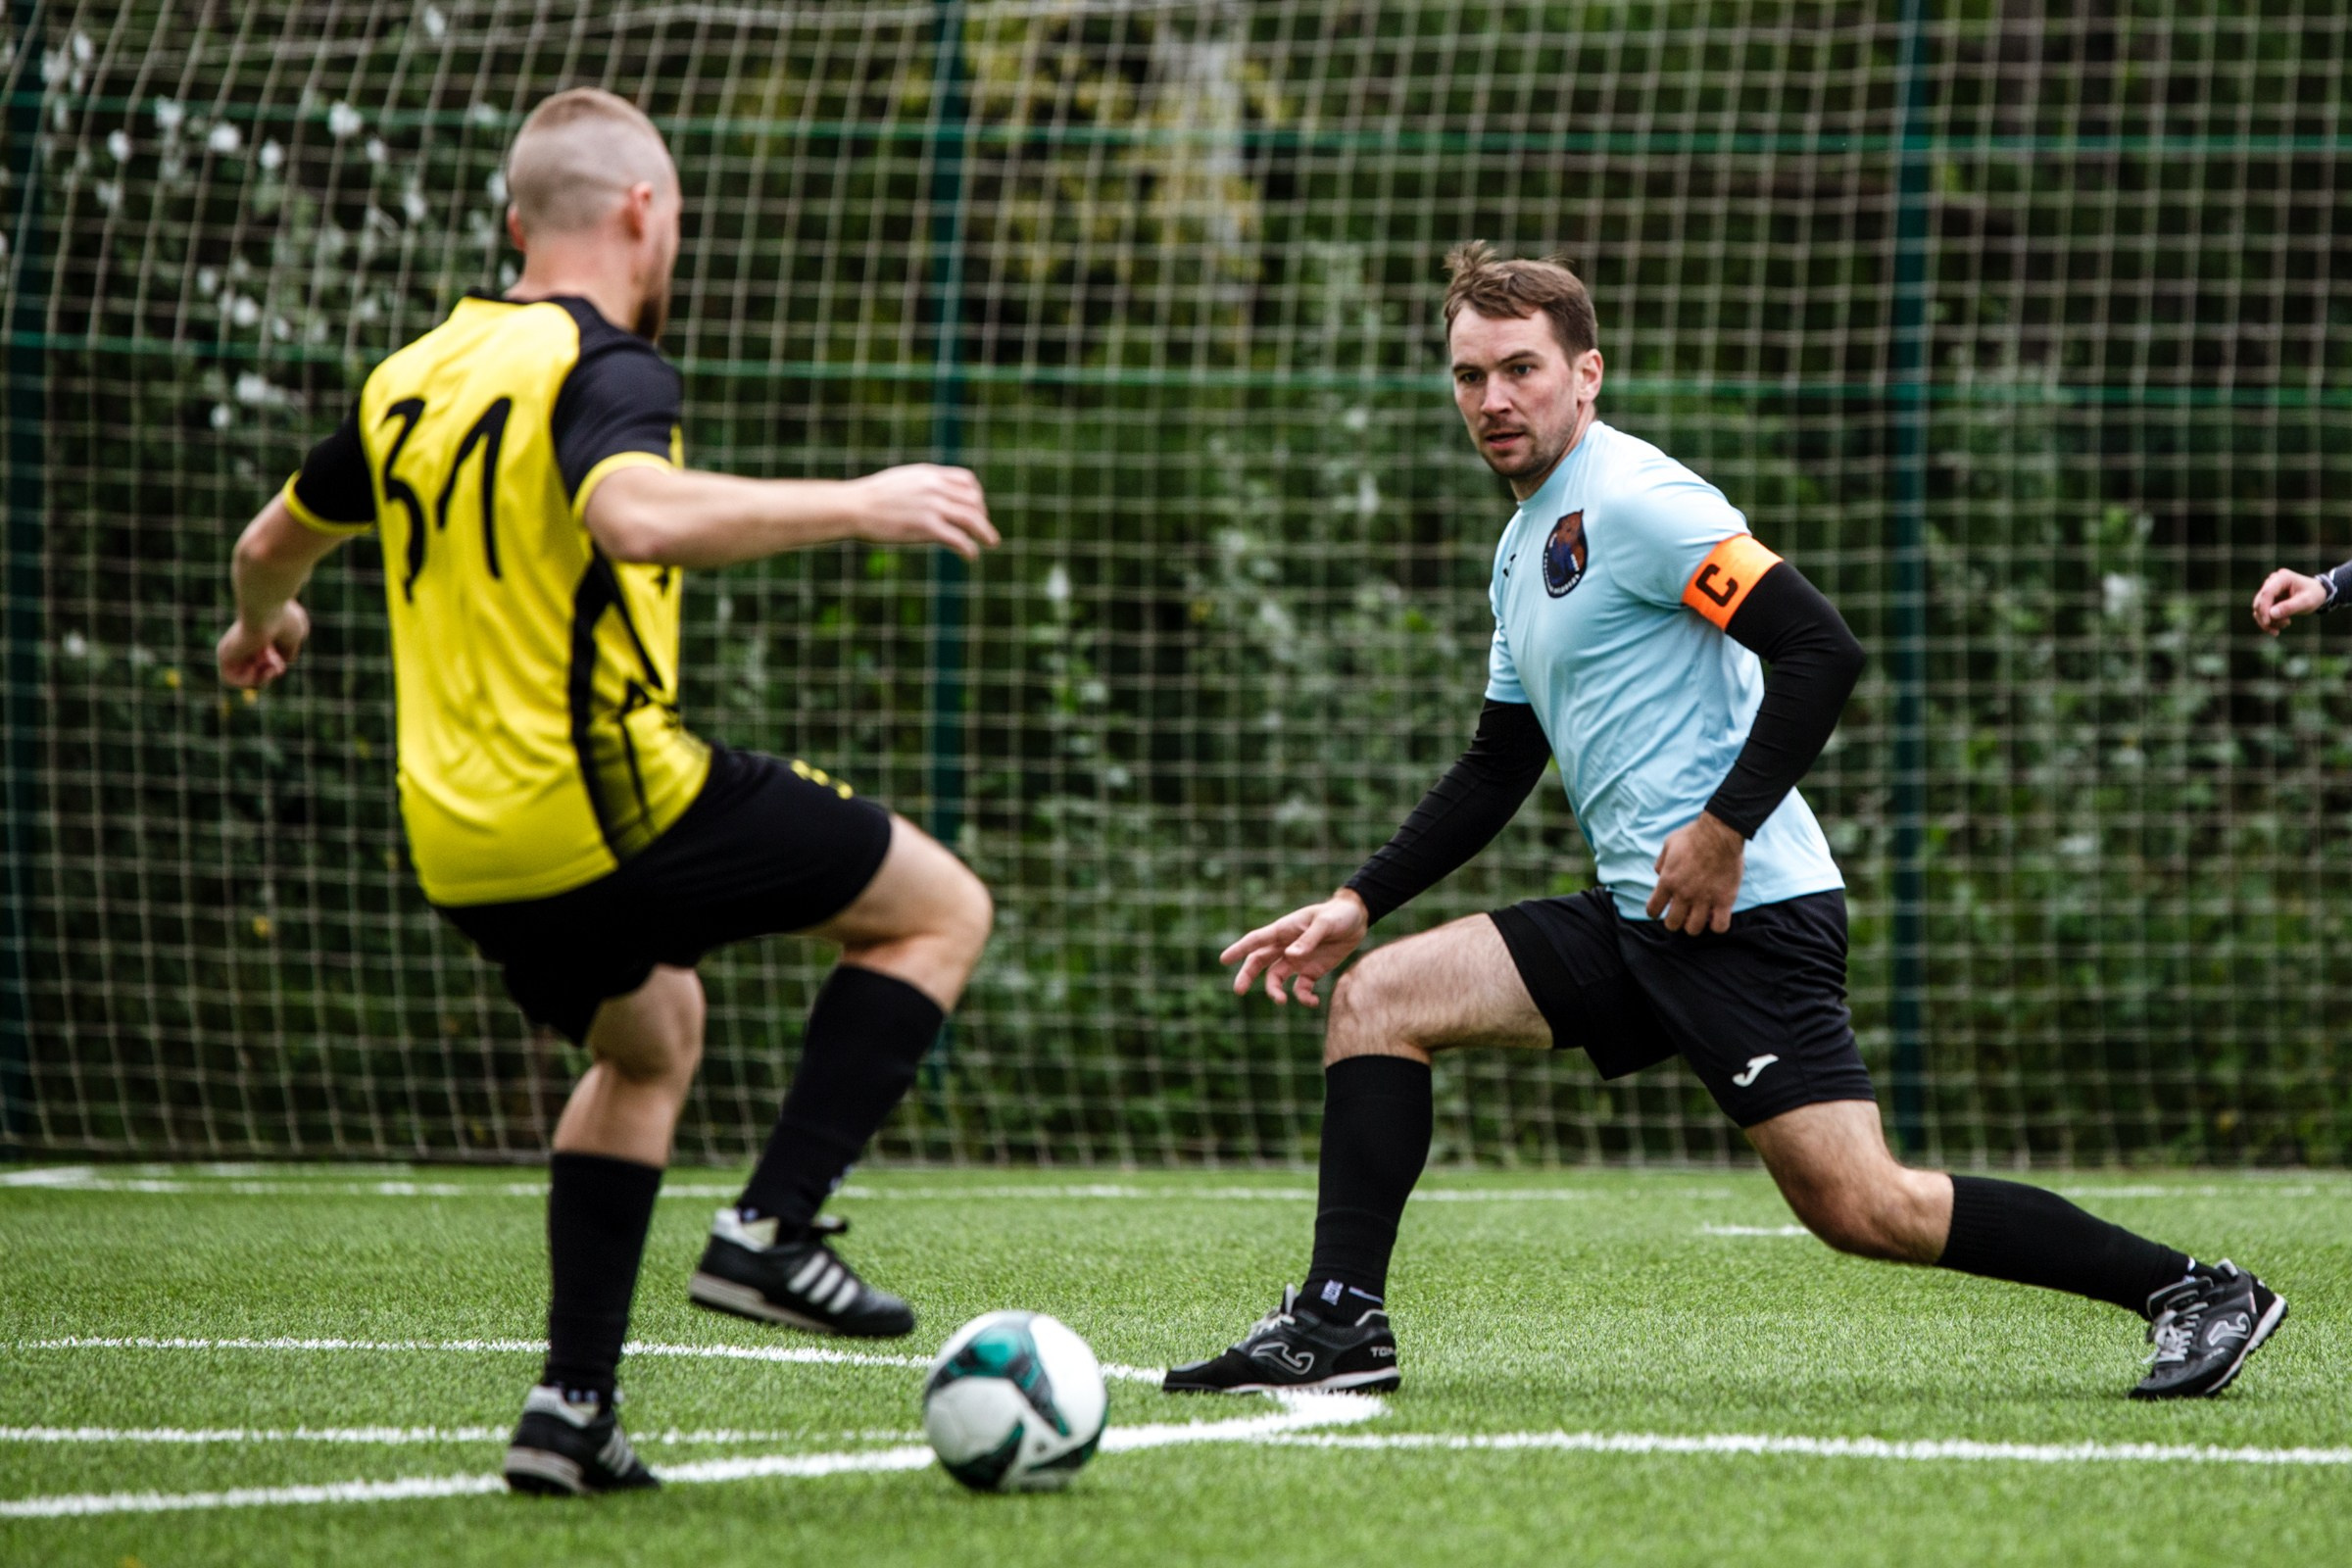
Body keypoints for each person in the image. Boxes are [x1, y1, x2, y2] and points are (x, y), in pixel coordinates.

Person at [1164, 242, 2283, 1402]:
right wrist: (1358, 899)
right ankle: (1342, 1321)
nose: (1493, 399)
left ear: (1585, 373)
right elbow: (1500, 764)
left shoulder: (1642, 499)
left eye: (1520, 369)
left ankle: (2195, 1289)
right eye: (1467, 376)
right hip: (1642, 911)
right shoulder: (1521, 548)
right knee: (1377, 996)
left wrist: (1724, 826)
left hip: (1747, 910)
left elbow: (1821, 648)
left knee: (1865, 1207)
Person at [215, 88, 1000, 1495]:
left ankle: (571, 1410)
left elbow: (273, 539)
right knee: (939, 909)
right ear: (645, 211)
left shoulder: (414, 373)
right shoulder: (607, 364)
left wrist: (256, 628)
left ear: (517, 224)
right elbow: (632, 513)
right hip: (607, 796)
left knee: (649, 1040)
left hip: (455, 837)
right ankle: (774, 1230)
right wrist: (863, 498)